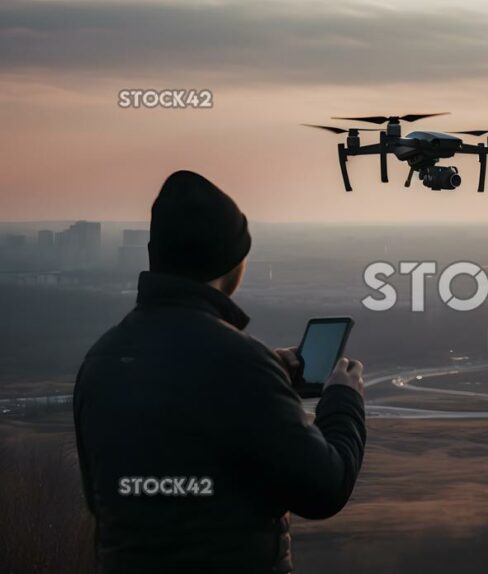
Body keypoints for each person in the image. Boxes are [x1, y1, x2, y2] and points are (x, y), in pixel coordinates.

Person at [73, 170, 366, 574]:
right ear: (232, 263)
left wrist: (268, 377)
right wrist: (343, 400)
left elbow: (103, 496)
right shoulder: (239, 363)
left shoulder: (103, 357)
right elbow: (325, 489)